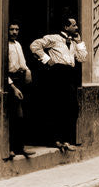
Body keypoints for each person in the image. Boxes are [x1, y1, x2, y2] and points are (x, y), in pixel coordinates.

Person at [30, 17, 87, 152]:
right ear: (66, 27)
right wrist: (46, 59)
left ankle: (66, 140)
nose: (76, 27)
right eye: (74, 25)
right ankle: (55, 140)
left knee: (71, 108)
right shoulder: (54, 38)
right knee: (56, 107)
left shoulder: (73, 42)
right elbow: (34, 45)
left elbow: (82, 58)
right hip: (57, 75)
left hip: (69, 76)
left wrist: (79, 42)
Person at [5, 22, 34, 160]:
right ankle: (11, 148)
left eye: (17, 29)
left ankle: (20, 147)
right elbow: (3, 70)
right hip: (11, 82)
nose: (14, 32)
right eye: (11, 29)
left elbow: (22, 63)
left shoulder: (18, 44)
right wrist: (13, 87)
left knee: (22, 115)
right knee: (15, 115)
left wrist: (28, 70)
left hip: (21, 80)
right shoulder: (5, 45)